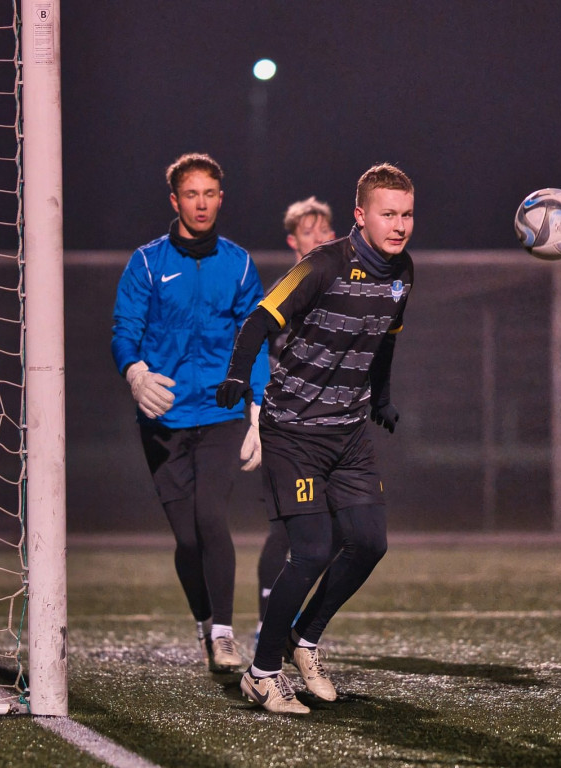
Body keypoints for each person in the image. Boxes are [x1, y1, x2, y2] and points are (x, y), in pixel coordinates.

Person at [217, 163, 415, 713]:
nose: (399, 225)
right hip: (295, 432)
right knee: (311, 551)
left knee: (370, 543)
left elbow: (386, 341)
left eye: (406, 214)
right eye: (388, 214)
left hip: (348, 435)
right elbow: (257, 319)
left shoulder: (404, 273)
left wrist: (381, 397)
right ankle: (261, 672)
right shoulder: (323, 265)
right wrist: (237, 373)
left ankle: (303, 640)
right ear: (360, 215)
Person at [112, 152, 270, 673]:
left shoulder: (240, 263)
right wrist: (134, 372)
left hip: (222, 411)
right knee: (186, 538)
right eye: (190, 194)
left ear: (220, 199)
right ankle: (205, 622)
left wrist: (256, 408)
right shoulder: (147, 262)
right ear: (175, 200)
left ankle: (224, 632)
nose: (200, 203)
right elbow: (124, 330)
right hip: (164, 418)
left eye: (209, 194)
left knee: (210, 517)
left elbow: (256, 338)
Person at [256, 197, 337, 640]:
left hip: (332, 425)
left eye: (325, 230)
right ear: (292, 241)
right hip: (289, 426)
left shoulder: (341, 286)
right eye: (309, 232)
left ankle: (296, 622)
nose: (319, 238)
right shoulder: (284, 290)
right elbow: (257, 353)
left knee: (338, 530)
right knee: (288, 527)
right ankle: (268, 622)